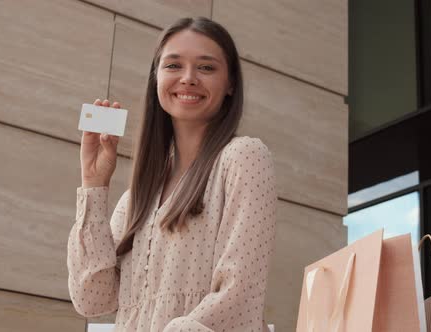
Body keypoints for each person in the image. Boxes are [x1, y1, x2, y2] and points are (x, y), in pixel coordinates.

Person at [67, 16, 277, 332]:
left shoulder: (243, 158)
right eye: (173, 66)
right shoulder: (137, 198)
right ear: (156, 78)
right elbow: (92, 299)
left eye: (206, 68)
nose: (188, 78)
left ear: (230, 83)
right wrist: (94, 185)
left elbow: (239, 295)